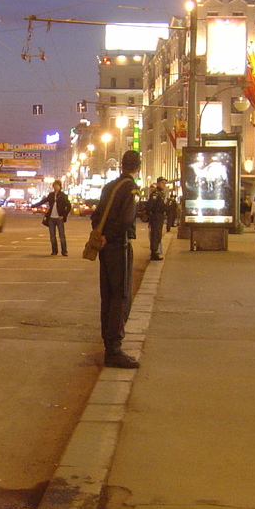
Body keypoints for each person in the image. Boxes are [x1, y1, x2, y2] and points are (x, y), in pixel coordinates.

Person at [91, 150, 142, 369]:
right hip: (119, 247)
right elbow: (126, 220)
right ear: (137, 166)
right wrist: (110, 237)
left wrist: (101, 237)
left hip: (105, 248)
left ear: (122, 165)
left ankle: (108, 343)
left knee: (108, 295)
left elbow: (96, 216)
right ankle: (114, 349)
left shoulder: (109, 186)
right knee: (121, 296)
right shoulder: (130, 188)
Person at [32, 179, 72, 256]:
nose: (56, 187)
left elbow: (69, 206)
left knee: (61, 235)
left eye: (58, 185)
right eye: (55, 185)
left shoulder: (63, 196)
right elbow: (43, 201)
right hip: (51, 218)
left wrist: (63, 216)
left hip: (59, 218)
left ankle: (64, 251)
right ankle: (54, 251)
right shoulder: (51, 195)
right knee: (52, 236)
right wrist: (34, 205)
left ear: (60, 187)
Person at [144, 177, 168, 261]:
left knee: (158, 234)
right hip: (156, 216)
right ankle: (153, 252)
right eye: (162, 183)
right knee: (155, 234)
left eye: (165, 183)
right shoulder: (156, 193)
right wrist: (148, 215)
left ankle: (155, 250)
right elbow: (150, 205)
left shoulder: (161, 193)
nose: (164, 185)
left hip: (159, 216)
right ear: (158, 183)